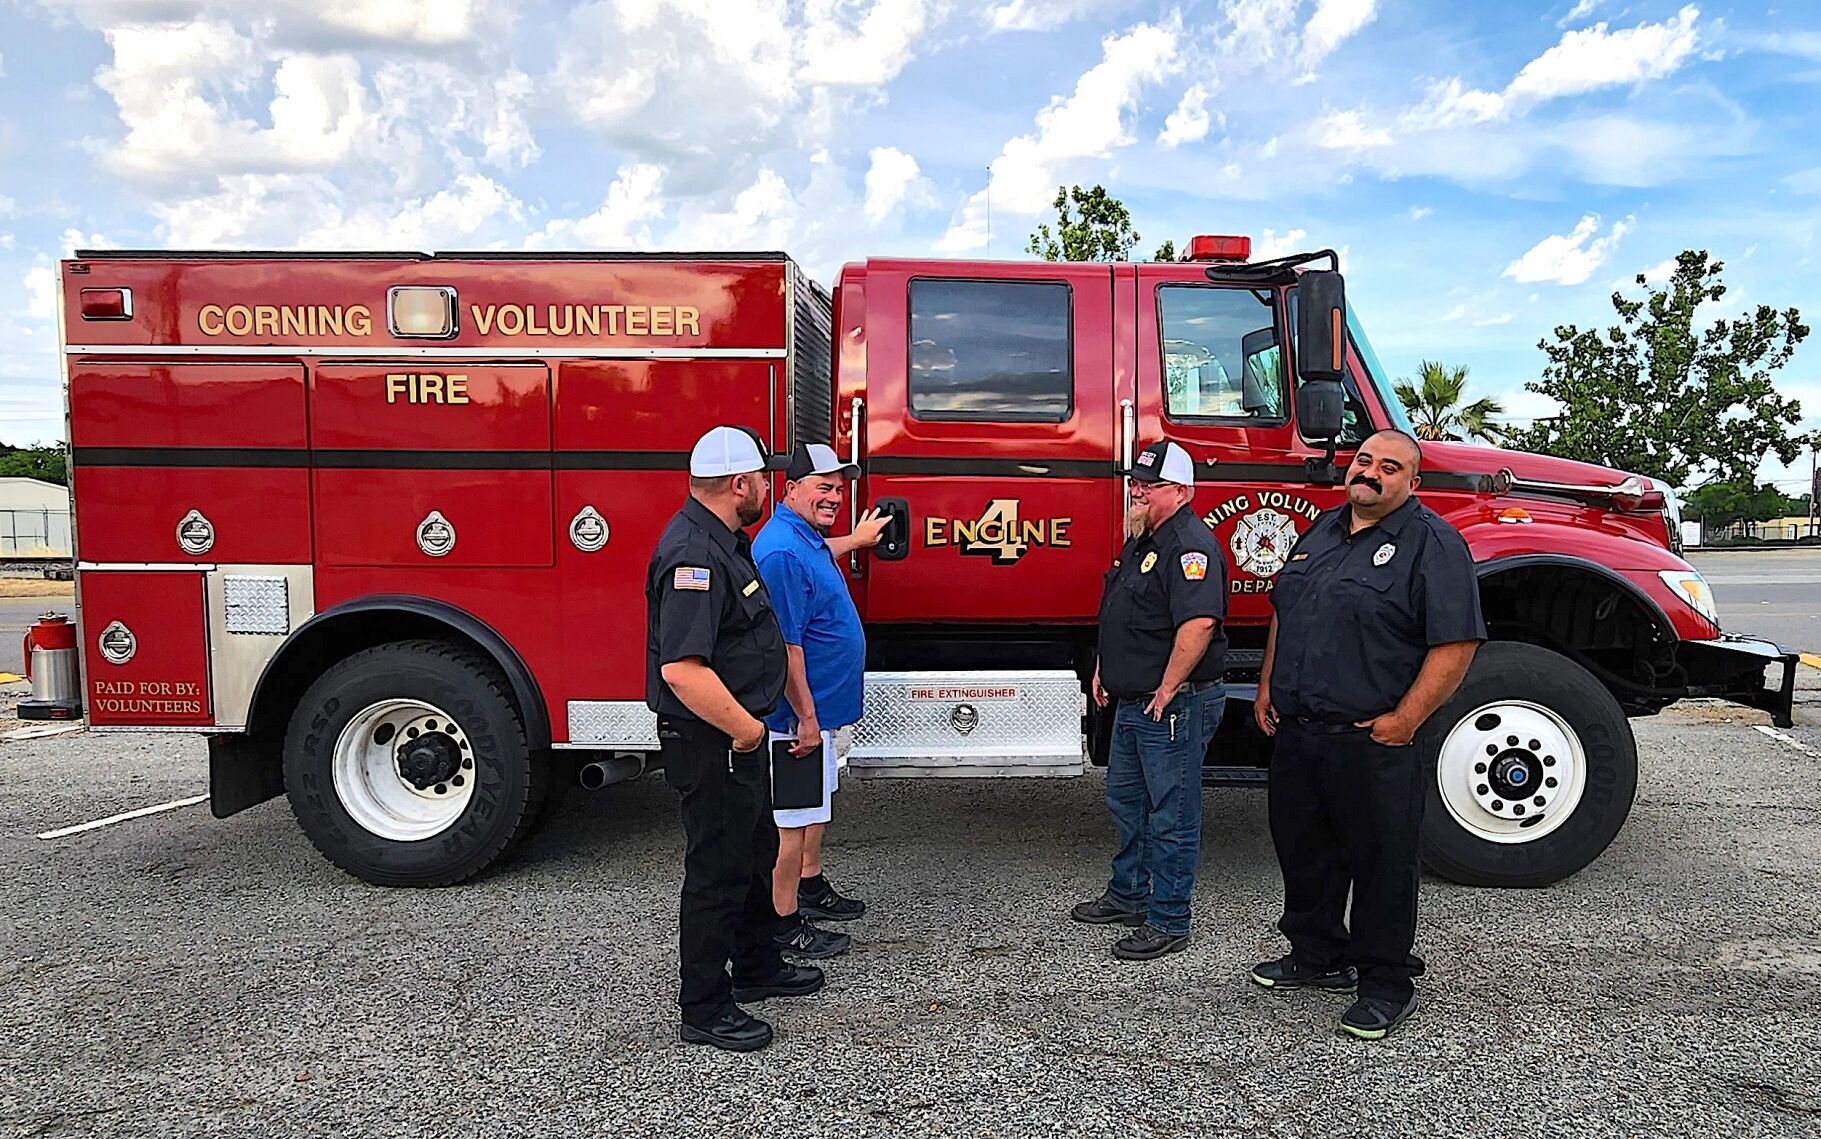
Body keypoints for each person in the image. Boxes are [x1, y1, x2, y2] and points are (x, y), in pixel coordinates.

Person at [1251, 428, 1485, 1041]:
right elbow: (1287, 609)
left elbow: (1455, 644)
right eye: (1364, 461)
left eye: (1390, 466)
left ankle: (1385, 980)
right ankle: (1316, 954)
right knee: (1304, 851)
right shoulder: (1321, 531)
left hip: (1373, 739)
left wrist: (1404, 721)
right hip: (1301, 732)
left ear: (1413, 482)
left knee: (1381, 863)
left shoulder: (1432, 544)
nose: (1371, 473)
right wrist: (1269, 682)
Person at [646, 425, 821, 1053]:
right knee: (717, 870)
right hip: (714, 739)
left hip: (733, 741)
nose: (769, 488)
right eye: (763, 479)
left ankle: (755, 968)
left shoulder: (725, 541)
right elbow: (682, 669)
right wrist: (747, 732)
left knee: (754, 851)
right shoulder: (693, 553)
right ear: (740, 483)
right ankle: (704, 1007)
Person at [1071, 440, 1228, 960]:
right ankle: (1128, 894)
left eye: (1149, 485)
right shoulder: (1145, 538)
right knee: (1127, 802)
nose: (1136, 491)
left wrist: (1166, 688)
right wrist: (1104, 670)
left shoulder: (1190, 547)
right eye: (1135, 482)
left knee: (1172, 815)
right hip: (1134, 701)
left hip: (1172, 705)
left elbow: (1198, 624)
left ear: (1181, 492)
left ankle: (1169, 919)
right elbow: (1120, 610)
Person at [753, 443, 886, 960]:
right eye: (822, 487)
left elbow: (820, 555)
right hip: (796, 720)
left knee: (814, 809)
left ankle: (809, 887)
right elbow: (788, 647)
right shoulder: (784, 552)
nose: (834, 496)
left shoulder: (802, 538)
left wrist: (854, 539)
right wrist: (806, 719)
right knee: (791, 823)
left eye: (838, 488)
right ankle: (783, 925)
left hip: (819, 716)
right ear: (790, 490)